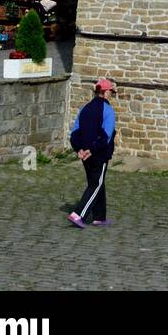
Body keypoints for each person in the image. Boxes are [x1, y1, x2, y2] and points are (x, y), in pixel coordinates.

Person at [68, 78, 117, 227]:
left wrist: (79, 149)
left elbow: (75, 133)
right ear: (105, 91)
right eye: (111, 92)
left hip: (85, 155)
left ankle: (99, 217)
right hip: (99, 154)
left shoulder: (85, 109)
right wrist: (92, 150)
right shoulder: (108, 110)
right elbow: (106, 136)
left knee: (97, 183)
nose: (111, 95)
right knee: (96, 184)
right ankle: (79, 214)